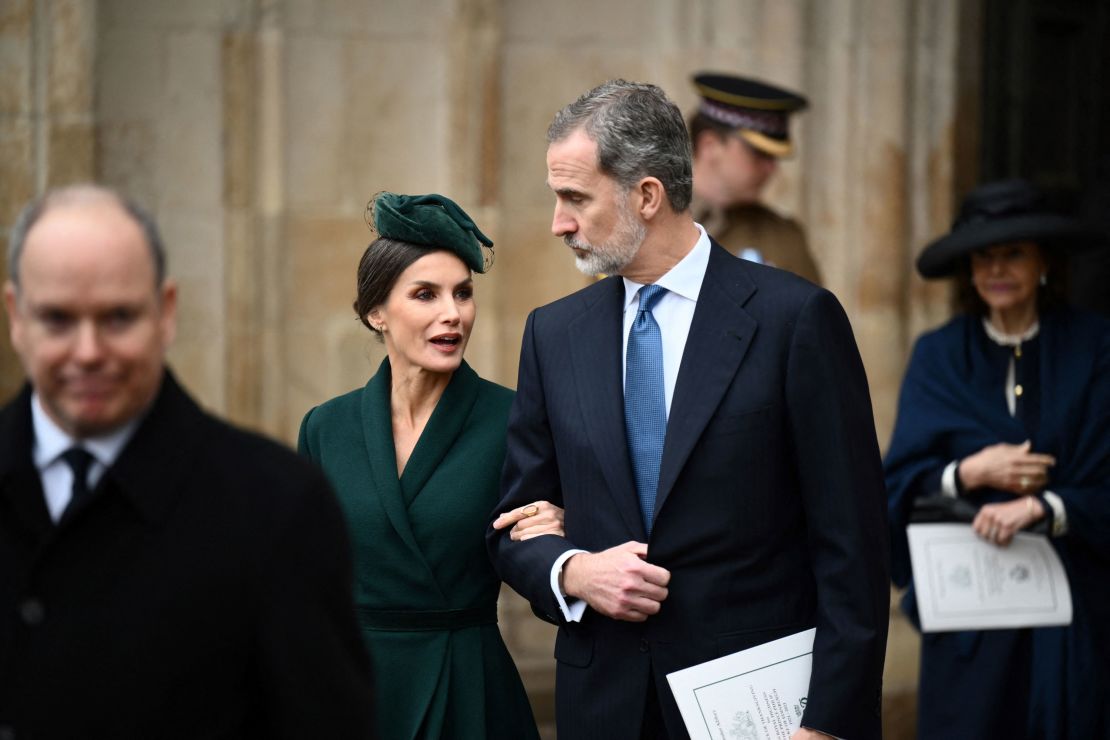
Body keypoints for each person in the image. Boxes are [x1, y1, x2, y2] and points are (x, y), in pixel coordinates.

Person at [488, 80, 889, 740]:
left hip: (761, 711)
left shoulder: (795, 320)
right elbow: (511, 528)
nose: (558, 223)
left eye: (575, 199)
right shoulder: (553, 334)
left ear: (647, 195)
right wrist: (575, 571)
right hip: (603, 705)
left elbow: (853, 548)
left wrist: (828, 723)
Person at [0, 185, 374, 739]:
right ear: (16, 317)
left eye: (118, 317)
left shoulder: (276, 505)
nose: (87, 352)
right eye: (57, 319)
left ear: (166, 312)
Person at [298, 193, 551, 740]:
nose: (452, 313)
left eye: (462, 293)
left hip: (469, 689)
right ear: (376, 313)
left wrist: (564, 530)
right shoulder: (325, 428)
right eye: (425, 295)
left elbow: (546, 566)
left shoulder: (514, 418)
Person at [884, 179, 1110, 739]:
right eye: (983, 257)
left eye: (1013, 253)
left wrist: (1048, 506)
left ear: (1043, 263)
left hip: (1075, 620)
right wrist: (968, 473)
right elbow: (894, 486)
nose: (996, 270)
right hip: (972, 627)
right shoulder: (938, 356)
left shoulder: (1095, 347)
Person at [688, 72, 821, 284]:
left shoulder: (784, 239)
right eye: (758, 153)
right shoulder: (648, 221)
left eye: (774, 157)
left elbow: (813, 316)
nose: (771, 168)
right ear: (710, 146)